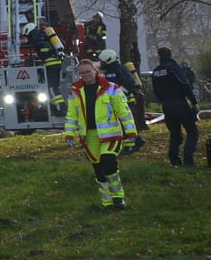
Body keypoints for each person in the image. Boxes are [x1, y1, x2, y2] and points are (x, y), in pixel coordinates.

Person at [64, 59, 137, 210]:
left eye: (88, 72)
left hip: (111, 134)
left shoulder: (111, 88)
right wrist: (69, 134)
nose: (85, 75)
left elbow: (124, 112)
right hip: (89, 136)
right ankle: (107, 202)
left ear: (95, 70)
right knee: (98, 169)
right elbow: (72, 116)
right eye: (82, 73)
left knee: (108, 161)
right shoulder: (75, 92)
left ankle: (118, 197)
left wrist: (131, 132)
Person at [151, 47, 200, 167]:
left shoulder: (156, 72)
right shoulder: (174, 69)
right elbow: (185, 85)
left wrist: (163, 101)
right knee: (192, 132)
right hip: (180, 104)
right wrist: (194, 102)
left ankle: (174, 160)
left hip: (167, 106)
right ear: (171, 55)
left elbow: (155, 91)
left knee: (175, 134)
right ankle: (188, 160)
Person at [98, 49, 148, 155]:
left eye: (102, 61)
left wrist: (119, 93)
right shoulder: (109, 71)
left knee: (126, 124)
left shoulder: (120, 69)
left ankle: (130, 146)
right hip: (116, 102)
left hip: (127, 101)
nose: (101, 63)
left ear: (108, 60)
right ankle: (137, 141)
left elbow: (130, 83)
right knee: (121, 124)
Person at [22, 22, 67, 116]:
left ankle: (61, 108)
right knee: (51, 87)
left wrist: (42, 57)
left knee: (51, 87)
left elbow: (43, 49)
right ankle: (55, 107)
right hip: (55, 63)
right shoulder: (42, 35)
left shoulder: (36, 37)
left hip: (50, 64)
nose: (27, 38)